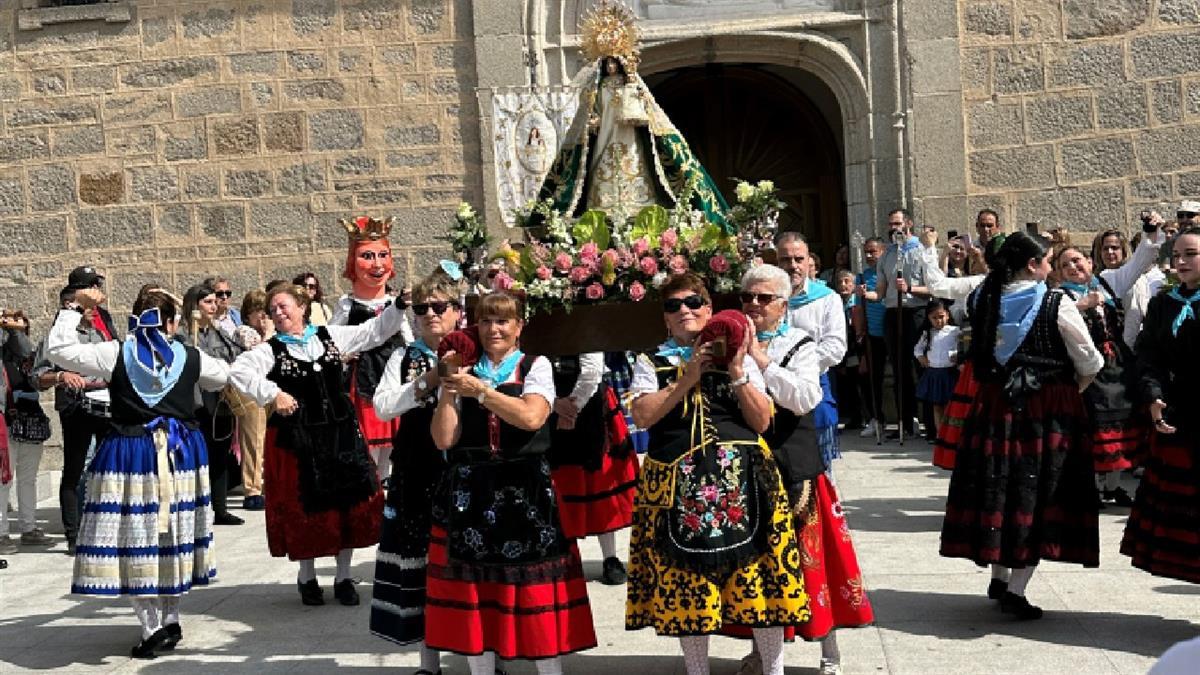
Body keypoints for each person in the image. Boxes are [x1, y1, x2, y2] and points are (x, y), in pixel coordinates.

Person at [625, 273, 808, 675]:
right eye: (673, 307)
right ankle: (697, 671)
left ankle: (773, 671)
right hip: (676, 484)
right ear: (665, 320)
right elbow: (641, 416)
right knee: (688, 586)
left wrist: (739, 370)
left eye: (692, 302)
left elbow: (762, 421)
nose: (684, 311)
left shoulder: (737, 350)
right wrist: (686, 378)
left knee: (761, 582)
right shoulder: (651, 360)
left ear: (708, 310)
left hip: (743, 481)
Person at [46, 286, 227, 658]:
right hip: (180, 453)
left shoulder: (116, 351)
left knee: (135, 539)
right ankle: (169, 618)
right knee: (172, 535)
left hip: (131, 453)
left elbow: (59, 351)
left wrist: (72, 309)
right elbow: (221, 376)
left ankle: (152, 627)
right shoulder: (190, 355)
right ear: (173, 323)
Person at [425, 292, 597, 675]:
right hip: (472, 489)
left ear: (519, 327)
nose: (494, 329)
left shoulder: (535, 366)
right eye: (486, 321)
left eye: (503, 321)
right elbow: (443, 439)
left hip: (526, 490)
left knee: (534, 591)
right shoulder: (463, 370)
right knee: (477, 593)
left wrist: (482, 392)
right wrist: (450, 389)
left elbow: (532, 417)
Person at [940, 232, 1104, 620]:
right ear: (1032, 265)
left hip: (993, 406)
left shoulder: (981, 298)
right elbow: (1090, 360)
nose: (1050, 266)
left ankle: (999, 576)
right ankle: (1015, 589)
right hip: (1046, 412)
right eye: (1047, 260)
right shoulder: (1054, 301)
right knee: (1040, 494)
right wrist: (1069, 390)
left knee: (998, 488)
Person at [728, 264, 872, 675]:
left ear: (783, 304)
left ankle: (830, 652)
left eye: (764, 298)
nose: (754, 305)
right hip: (746, 470)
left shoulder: (798, 343)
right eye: (747, 298)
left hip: (795, 467)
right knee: (755, 566)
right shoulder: (730, 343)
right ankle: (764, 650)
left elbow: (805, 397)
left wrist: (761, 359)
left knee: (813, 561)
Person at [229, 283, 405, 607]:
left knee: (347, 504)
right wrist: (273, 394)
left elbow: (374, 332)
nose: (278, 313)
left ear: (301, 306)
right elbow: (238, 371)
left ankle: (343, 577)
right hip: (299, 439)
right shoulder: (270, 350)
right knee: (306, 508)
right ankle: (307, 576)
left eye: (283, 306)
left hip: (339, 433)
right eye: (273, 310)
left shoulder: (330, 336)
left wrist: (401, 305)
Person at [533, 1, 729, 230]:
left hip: (628, 135)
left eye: (615, 63)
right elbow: (590, 109)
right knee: (601, 168)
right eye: (608, 64)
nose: (612, 68)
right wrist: (593, 120)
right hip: (605, 135)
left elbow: (648, 114)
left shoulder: (633, 86)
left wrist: (634, 107)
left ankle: (639, 202)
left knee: (635, 160)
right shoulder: (596, 88)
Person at [369, 272, 461, 672]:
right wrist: (427, 382)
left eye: (439, 307)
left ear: (457, 311)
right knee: (419, 563)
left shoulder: (475, 350)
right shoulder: (404, 356)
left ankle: (484, 656)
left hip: (465, 468)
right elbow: (383, 406)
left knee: (468, 564)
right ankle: (429, 662)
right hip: (417, 468)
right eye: (422, 308)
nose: (430, 315)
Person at [1055, 225, 1162, 506]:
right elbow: (1053, 318)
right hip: (1089, 371)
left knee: (1123, 423)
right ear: (1058, 272)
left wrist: (1151, 234)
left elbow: (1139, 262)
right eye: (1065, 265)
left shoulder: (1107, 281)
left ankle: (1112, 486)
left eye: (1077, 260)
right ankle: (1093, 487)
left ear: (1090, 262)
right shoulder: (1061, 297)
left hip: (1118, 365)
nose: (1072, 267)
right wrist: (1081, 306)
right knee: (1094, 427)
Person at [1121, 227, 1200, 584]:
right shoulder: (1163, 303)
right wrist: (1153, 395)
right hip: (1179, 415)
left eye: (1190, 254)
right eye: (1177, 255)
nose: (1180, 262)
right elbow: (1148, 355)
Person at [32, 284, 114, 555]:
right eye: (88, 305)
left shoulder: (100, 334)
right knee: (75, 470)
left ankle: (105, 528)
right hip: (76, 406)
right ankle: (73, 534)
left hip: (106, 406)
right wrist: (60, 376)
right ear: (71, 305)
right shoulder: (56, 337)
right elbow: (37, 377)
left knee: (107, 469)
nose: (94, 311)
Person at [329, 216, 413, 483]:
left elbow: (407, 336)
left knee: (395, 434)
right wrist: (342, 357)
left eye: (383, 255)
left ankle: (387, 479)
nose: (377, 264)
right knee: (368, 435)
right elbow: (332, 339)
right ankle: (371, 480)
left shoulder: (395, 302)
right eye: (367, 256)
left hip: (394, 371)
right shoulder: (347, 304)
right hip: (364, 376)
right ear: (352, 261)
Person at [545, 349, 638, 585]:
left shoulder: (583, 317)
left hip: (590, 402)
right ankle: (562, 556)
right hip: (545, 400)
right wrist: (552, 403)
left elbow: (592, 370)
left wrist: (572, 406)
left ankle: (610, 558)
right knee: (556, 482)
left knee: (599, 481)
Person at [776, 232, 847, 466]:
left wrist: (797, 367)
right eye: (786, 260)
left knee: (818, 468)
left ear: (809, 261)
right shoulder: (764, 299)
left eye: (798, 259)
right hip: (771, 391)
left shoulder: (828, 299)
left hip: (812, 385)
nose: (792, 266)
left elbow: (835, 347)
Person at [179, 284, 246, 526]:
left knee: (219, 455)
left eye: (215, 301)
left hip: (220, 401)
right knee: (199, 457)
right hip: (196, 402)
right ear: (194, 305)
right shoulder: (184, 333)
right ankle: (198, 508)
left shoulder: (218, 331)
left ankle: (220, 508)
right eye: (207, 302)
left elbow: (236, 353)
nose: (214, 305)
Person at [874, 209, 930, 439]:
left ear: (909, 224)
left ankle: (929, 422)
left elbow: (934, 288)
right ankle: (904, 422)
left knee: (921, 366)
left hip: (915, 311)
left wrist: (910, 289)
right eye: (890, 224)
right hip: (892, 312)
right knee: (898, 368)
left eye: (897, 223)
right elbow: (880, 292)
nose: (893, 228)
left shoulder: (922, 252)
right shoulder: (887, 256)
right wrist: (863, 293)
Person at [0, 309, 49, 553]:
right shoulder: (2, 355)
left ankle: (28, 528)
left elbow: (35, 374)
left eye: (22, 326)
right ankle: (2, 533)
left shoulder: (28, 357)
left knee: (27, 479)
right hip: (7, 423)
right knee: (4, 481)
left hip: (30, 422)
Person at [231, 290, 273, 510]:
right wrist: (268, 334)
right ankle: (252, 489)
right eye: (259, 311)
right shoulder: (244, 331)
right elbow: (259, 355)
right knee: (254, 440)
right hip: (249, 393)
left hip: (268, 390)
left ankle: (267, 484)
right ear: (248, 314)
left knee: (268, 440)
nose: (264, 317)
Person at [855, 237, 887, 439]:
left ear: (882, 252)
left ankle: (908, 418)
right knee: (871, 378)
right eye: (866, 252)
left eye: (873, 252)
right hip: (872, 335)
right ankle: (876, 418)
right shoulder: (863, 277)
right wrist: (860, 332)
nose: (869, 256)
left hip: (892, 332)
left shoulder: (888, 274)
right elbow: (858, 308)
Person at [913, 299, 960, 434]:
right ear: (928, 318)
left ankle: (950, 433)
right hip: (934, 373)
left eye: (941, 317)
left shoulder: (955, 331)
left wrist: (957, 356)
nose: (938, 321)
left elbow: (961, 347)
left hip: (950, 372)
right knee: (936, 405)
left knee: (949, 405)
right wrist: (921, 358)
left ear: (947, 315)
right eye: (934, 318)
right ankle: (939, 433)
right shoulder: (928, 333)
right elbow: (917, 349)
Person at [832, 269, 865, 430]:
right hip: (844, 350)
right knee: (849, 385)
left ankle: (865, 416)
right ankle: (855, 416)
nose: (843, 285)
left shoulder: (857, 302)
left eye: (847, 281)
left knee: (861, 383)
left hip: (857, 348)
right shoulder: (836, 303)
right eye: (840, 282)